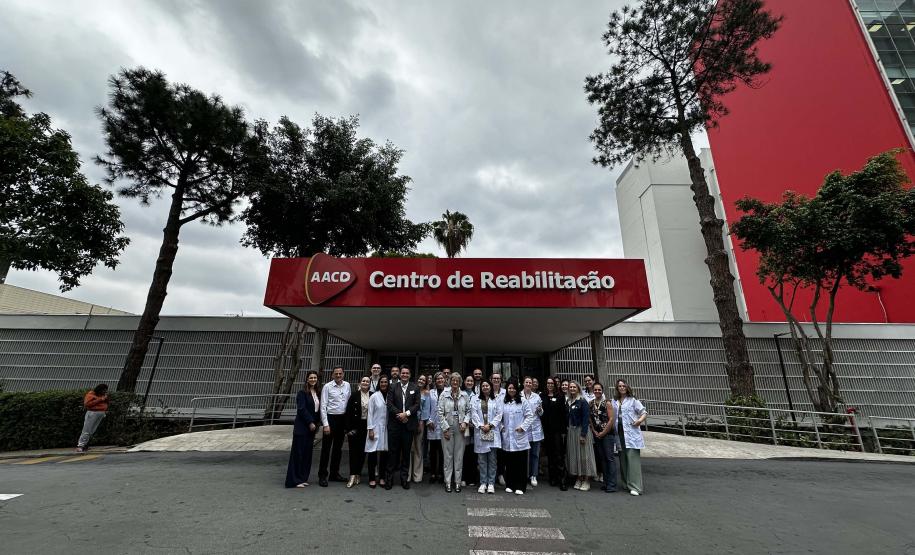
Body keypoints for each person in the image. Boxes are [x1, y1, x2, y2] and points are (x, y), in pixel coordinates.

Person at [386, 365, 420, 489]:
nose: (405, 375)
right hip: (395, 425)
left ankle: (404, 479)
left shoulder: (414, 387)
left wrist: (407, 414)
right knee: (392, 453)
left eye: (407, 373)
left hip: (408, 425)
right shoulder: (393, 387)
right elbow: (389, 404)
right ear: (400, 375)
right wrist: (400, 415)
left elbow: (417, 404)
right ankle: (389, 479)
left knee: (406, 454)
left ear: (410, 375)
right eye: (403, 373)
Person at [286, 371, 320, 488]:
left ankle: (302, 478)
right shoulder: (302, 393)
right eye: (311, 377)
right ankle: (294, 480)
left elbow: (317, 410)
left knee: (307, 454)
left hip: (312, 429)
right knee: (298, 454)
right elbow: (302, 409)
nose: (313, 379)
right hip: (302, 427)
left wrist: (316, 423)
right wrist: (310, 422)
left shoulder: (317, 393)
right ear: (307, 379)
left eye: (315, 377)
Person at [613, 379, 647, 496]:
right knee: (623, 459)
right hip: (620, 433)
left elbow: (644, 413)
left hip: (631, 433)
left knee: (632, 459)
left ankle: (636, 487)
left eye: (623, 386)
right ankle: (626, 483)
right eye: (619, 386)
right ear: (617, 388)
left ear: (627, 387)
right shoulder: (615, 401)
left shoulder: (633, 400)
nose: (621, 388)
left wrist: (639, 421)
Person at [438, 371, 470, 492]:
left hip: (460, 428)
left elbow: (468, 411)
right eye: (453, 380)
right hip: (448, 427)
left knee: (459, 456)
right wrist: (445, 428)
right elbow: (440, 412)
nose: (455, 382)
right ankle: (448, 482)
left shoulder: (464, 395)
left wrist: (465, 422)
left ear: (460, 382)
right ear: (450, 381)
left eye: (457, 380)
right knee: (448, 456)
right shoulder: (444, 394)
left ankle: (457, 482)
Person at [318, 366, 351, 487]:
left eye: (340, 373)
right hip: (331, 418)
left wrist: (347, 423)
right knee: (326, 449)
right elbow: (323, 406)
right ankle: (322, 475)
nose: (338, 375)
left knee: (338, 448)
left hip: (342, 419)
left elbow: (348, 404)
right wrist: (325, 424)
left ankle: (334, 473)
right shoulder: (327, 387)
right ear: (332, 375)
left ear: (343, 374)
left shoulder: (347, 385)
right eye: (336, 373)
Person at [500, 379, 534, 495]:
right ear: (507, 389)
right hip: (508, 437)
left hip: (519, 437)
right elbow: (498, 416)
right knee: (509, 463)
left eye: (513, 388)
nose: (512, 390)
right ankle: (510, 484)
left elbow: (530, 416)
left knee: (520, 463)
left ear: (517, 389)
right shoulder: (503, 402)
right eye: (509, 388)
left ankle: (520, 486)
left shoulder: (523, 401)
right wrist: (501, 427)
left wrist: (523, 427)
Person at [470, 379, 502, 494]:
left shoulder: (496, 399)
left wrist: (490, 425)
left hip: (492, 431)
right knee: (482, 460)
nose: (485, 387)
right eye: (483, 386)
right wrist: (481, 425)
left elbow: (499, 414)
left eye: (487, 385)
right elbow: (473, 414)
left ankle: (491, 483)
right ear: (480, 388)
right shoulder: (476, 400)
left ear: (491, 387)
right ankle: (483, 482)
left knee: (492, 460)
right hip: (481, 431)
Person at [566, 380, 596, 491]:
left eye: (574, 387)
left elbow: (585, 419)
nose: (572, 389)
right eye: (570, 387)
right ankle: (579, 477)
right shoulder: (569, 401)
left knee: (585, 456)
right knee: (575, 455)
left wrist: (583, 434)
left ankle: (587, 479)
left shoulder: (583, 401)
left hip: (581, 431)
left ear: (578, 388)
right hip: (572, 431)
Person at [541, 376, 568, 490]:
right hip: (547, 430)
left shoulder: (560, 396)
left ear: (555, 385)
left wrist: (563, 430)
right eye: (548, 383)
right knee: (550, 455)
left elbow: (563, 414)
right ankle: (552, 478)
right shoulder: (542, 396)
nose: (550, 385)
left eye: (552, 383)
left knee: (559, 455)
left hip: (557, 430)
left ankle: (562, 479)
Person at [590, 382, 618, 493]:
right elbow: (590, 419)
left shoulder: (607, 403)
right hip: (597, 434)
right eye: (595, 389)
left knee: (609, 458)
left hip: (607, 435)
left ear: (602, 390)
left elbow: (611, 419)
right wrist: (594, 431)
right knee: (602, 459)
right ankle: (606, 482)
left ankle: (612, 484)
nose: (597, 391)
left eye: (599, 389)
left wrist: (603, 432)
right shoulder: (590, 403)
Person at [344, 376, 371, 488]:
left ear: (370, 384)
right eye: (363, 381)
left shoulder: (373, 395)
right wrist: (348, 429)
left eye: (367, 381)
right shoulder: (354, 395)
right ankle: (352, 475)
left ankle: (358, 473)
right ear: (360, 383)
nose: (365, 382)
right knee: (353, 452)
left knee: (363, 451)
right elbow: (348, 413)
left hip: (367, 425)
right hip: (355, 426)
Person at [365, 376, 389, 488]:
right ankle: (371, 478)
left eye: (385, 382)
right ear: (379, 383)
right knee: (372, 454)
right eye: (382, 382)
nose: (384, 384)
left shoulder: (390, 396)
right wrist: (370, 429)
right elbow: (369, 414)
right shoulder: (374, 396)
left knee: (384, 454)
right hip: (374, 428)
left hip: (386, 429)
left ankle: (382, 477)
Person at [522, 376, 544, 487]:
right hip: (524, 429)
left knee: (535, 454)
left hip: (536, 428)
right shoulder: (519, 396)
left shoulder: (537, 397)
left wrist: (540, 410)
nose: (528, 384)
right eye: (527, 382)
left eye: (530, 382)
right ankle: (525, 475)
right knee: (525, 454)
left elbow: (541, 413)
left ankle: (533, 475)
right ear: (523, 383)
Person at [77, 383, 109, 453]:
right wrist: (100, 399)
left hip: (100, 413)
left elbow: (105, 403)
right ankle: (80, 445)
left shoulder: (102, 395)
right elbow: (87, 404)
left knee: (92, 430)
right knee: (87, 430)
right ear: (99, 390)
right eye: (104, 390)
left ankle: (85, 445)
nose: (105, 392)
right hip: (92, 413)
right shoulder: (91, 395)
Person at [409, 374, 430, 483]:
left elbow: (426, 409)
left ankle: (417, 475)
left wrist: (421, 422)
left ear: (426, 382)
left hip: (419, 423)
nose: (421, 381)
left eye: (423, 379)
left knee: (418, 448)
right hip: (408, 422)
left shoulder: (426, 394)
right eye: (420, 379)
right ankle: (408, 475)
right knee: (408, 448)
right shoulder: (411, 390)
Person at [426, 371, 445, 483]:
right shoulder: (430, 392)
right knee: (432, 451)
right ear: (435, 381)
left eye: (441, 378)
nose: (440, 380)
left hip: (444, 426)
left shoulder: (448, 392)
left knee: (443, 452)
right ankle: (433, 473)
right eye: (438, 379)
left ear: (445, 380)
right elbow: (426, 408)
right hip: (432, 425)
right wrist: (428, 421)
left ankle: (442, 474)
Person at [461, 375, 479, 487]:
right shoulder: (460, 393)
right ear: (464, 382)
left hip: (473, 428)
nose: (469, 382)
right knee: (463, 453)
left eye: (471, 381)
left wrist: (474, 423)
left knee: (473, 453)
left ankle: (472, 478)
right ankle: (463, 477)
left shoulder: (476, 395)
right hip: (463, 427)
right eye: (468, 380)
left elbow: (477, 411)